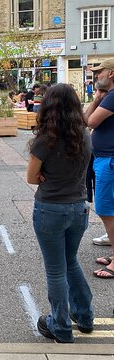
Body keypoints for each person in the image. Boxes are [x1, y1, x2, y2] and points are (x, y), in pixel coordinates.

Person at [27, 83, 94, 343]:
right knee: (71, 261)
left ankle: (61, 326)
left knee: (55, 270)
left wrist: (47, 175)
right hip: (78, 208)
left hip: (50, 208)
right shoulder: (84, 135)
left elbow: (32, 177)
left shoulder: (46, 140)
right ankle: (85, 316)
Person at [83, 59, 114, 278]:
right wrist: (96, 100)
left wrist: (97, 101)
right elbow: (86, 119)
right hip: (104, 159)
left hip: (109, 161)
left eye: (99, 72)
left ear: (111, 73)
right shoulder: (107, 97)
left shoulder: (112, 97)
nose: (96, 76)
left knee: (107, 210)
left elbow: (91, 122)